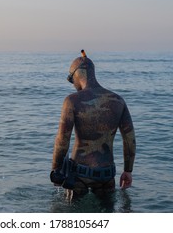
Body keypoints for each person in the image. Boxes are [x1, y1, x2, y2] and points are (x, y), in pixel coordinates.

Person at [50, 50, 136, 197]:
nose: (72, 84)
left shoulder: (72, 101)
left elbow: (62, 140)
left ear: (78, 73)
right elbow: (129, 139)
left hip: (78, 174)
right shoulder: (118, 100)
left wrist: (56, 170)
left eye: (71, 79)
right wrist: (128, 171)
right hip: (107, 174)